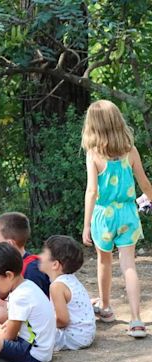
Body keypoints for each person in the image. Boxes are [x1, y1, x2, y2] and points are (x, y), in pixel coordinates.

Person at [82, 99, 152, 338]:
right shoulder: (130, 151)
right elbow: (144, 183)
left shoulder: (94, 155)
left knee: (104, 262)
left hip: (103, 215)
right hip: (128, 214)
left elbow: (91, 191)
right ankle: (136, 320)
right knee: (129, 265)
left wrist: (86, 224)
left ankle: (106, 307)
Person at [0, 243, 55, 362]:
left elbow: (8, 337)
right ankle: (0, 355)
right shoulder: (27, 286)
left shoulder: (20, 297)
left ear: (9, 275)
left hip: (33, 353)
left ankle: (4, 359)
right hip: (35, 345)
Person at [38, 235, 96, 351]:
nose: (39, 256)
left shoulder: (57, 286)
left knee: (31, 329)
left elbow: (63, 320)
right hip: (86, 334)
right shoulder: (71, 280)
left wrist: (42, 324)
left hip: (73, 337)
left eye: (43, 253)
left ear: (55, 264)